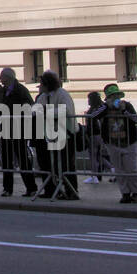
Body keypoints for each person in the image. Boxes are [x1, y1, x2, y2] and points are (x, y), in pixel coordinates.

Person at [93, 83, 137, 203]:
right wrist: (105, 107)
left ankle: (136, 193)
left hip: (129, 142)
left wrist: (124, 110)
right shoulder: (105, 108)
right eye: (111, 96)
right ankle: (125, 193)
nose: (114, 99)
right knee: (119, 170)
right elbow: (93, 115)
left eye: (116, 96)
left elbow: (136, 119)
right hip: (112, 142)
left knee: (132, 169)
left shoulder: (127, 105)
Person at [36, 70, 78, 200]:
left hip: (66, 133)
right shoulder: (43, 96)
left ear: (47, 84)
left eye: (41, 84)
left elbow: (66, 110)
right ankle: (52, 189)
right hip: (50, 134)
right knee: (49, 164)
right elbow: (36, 109)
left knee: (66, 164)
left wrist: (46, 111)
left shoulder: (62, 94)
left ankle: (71, 190)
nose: (39, 86)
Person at [0, 68, 38, 197]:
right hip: (6, 129)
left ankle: (31, 187)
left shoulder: (20, 90)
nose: (1, 81)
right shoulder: (5, 91)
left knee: (23, 159)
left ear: (9, 78)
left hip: (18, 129)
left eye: (3, 78)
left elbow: (28, 107)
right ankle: (7, 188)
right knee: (6, 160)